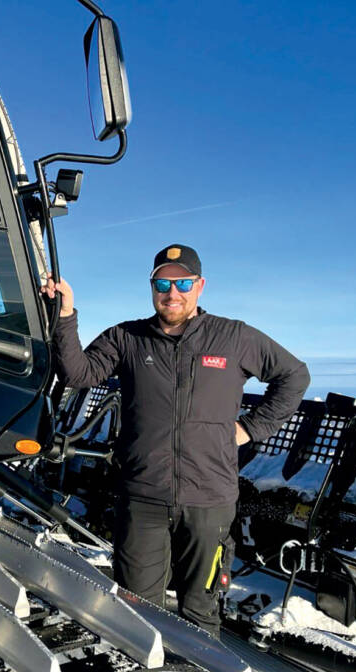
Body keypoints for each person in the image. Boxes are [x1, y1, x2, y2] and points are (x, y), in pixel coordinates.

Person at [43, 244, 309, 639]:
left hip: (209, 501)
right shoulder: (127, 337)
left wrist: (251, 428)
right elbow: (79, 373)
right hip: (143, 498)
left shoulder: (234, 337)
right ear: (152, 287)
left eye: (183, 282)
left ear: (200, 286)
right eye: (163, 283)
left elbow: (294, 376)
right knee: (136, 611)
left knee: (200, 613)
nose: (173, 292)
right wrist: (65, 314)